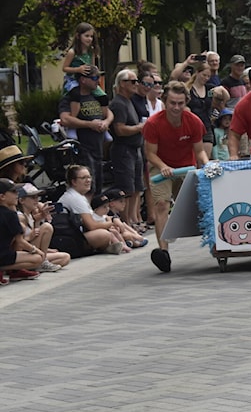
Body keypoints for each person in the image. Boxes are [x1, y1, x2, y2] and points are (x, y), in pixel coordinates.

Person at [143, 81, 210, 272]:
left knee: (200, 207)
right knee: (162, 204)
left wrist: (207, 165)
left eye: (180, 103)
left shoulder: (193, 121)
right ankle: (163, 252)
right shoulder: (153, 123)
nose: (176, 107)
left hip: (185, 167)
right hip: (160, 166)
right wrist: (164, 167)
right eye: (172, 103)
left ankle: (216, 243)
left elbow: (199, 152)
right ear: (165, 101)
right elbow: (150, 154)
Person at [59, 66, 113, 195]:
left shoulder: (96, 96)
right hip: (83, 149)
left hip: (98, 148)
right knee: (88, 187)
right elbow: (65, 119)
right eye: (94, 78)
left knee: (99, 186)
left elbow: (110, 113)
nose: (98, 81)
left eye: (98, 77)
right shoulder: (71, 98)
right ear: (83, 79)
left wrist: (106, 122)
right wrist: (89, 124)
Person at [57, 165, 125, 255]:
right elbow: (91, 226)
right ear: (74, 182)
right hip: (70, 239)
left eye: (89, 177)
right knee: (104, 234)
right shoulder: (75, 198)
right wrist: (111, 223)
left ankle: (112, 245)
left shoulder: (79, 196)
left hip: (77, 234)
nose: (88, 180)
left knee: (114, 230)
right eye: (83, 178)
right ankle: (107, 246)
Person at [108, 68, 147, 228]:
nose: (136, 84)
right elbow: (120, 129)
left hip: (134, 149)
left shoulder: (129, 101)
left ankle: (133, 219)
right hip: (123, 150)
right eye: (133, 81)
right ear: (122, 84)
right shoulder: (118, 103)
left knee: (137, 186)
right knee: (126, 187)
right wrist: (140, 127)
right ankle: (126, 222)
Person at [16, 182, 70, 271]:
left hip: (32, 252)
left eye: (37, 197)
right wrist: (29, 238)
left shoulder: (29, 215)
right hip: (23, 254)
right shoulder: (20, 217)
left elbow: (36, 235)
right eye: (33, 197)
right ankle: (40, 262)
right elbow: (17, 244)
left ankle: (39, 263)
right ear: (21, 200)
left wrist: (46, 250)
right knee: (46, 227)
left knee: (65, 257)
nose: (37, 200)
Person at [0, 178, 43, 284]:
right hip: (2, 255)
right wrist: (36, 250)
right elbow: (20, 241)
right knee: (37, 259)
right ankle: (6, 269)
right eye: (13, 192)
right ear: (2, 197)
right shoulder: (10, 215)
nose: (17, 194)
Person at [60, 22, 104, 96]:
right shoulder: (72, 52)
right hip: (73, 81)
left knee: (102, 96)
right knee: (76, 94)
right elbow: (64, 68)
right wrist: (78, 69)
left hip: (88, 81)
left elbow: (92, 67)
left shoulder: (91, 51)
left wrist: (96, 72)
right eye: (86, 36)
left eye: (91, 36)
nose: (90, 39)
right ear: (78, 36)